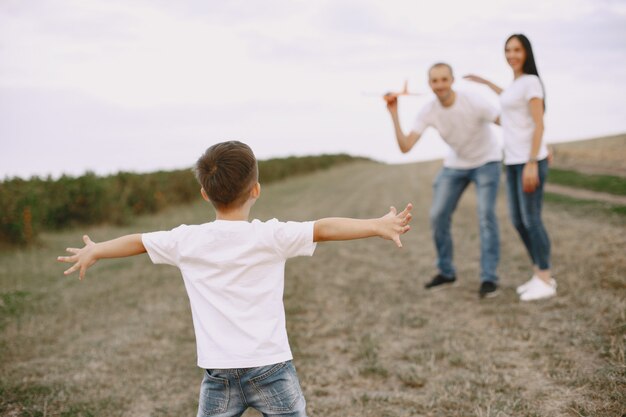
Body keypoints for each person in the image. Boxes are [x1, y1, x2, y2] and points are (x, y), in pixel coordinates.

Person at [57, 140, 413, 417]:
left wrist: (97, 249)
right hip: (272, 368)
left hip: (219, 375)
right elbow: (324, 228)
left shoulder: (186, 240)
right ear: (256, 189)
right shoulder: (270, 236)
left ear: (204, 194)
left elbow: (138, 242)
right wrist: (376, 226)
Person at [384, 63, 502, 298]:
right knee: (437, 215)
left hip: (487, 161)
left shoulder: (473, 100)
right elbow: (406, 147)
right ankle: (446, 272)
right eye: (435, 81)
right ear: (430, 84)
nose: (440, 85)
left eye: (444, 80)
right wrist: (394, 113)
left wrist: (538, 147)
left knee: (485, 216)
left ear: (452, 80)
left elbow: (508, 122)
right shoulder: (429, 110)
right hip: (456, 164)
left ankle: (489, 278)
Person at [465, 34, 556, 301]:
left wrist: (532, 161)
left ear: (526, 52)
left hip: (529, 161)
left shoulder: (531, 83)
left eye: (517, 50)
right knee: (518, 221)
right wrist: (485, 82)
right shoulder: (517, 84)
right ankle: (538, 272)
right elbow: (509, 99)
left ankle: (546, 278)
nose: (511, 54)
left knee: (532, 220)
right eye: (507, 50)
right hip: (514, 161)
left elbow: (539, 124)